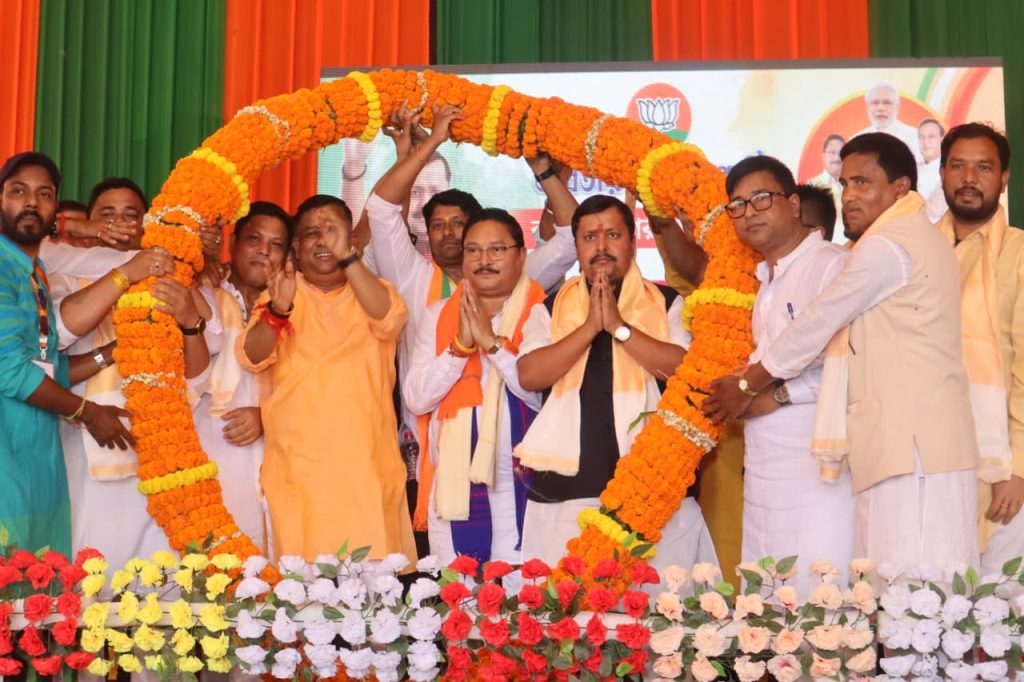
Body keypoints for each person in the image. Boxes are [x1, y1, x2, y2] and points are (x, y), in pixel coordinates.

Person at [704, 133, 979, 573]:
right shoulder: (902, 237)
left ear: (901, 187)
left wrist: (748, 385)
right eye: (845, 183)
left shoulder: (888, 243)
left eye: (862, 183)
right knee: (896, 590)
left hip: (914, 446)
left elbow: (818, 324)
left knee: (913, 589)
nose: (849, 195)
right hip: (895, 444)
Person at [365, 103, 578, 532]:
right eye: (438, 225)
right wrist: (429, 145)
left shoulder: (519, 280)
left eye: (459, 224)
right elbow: (382, 211)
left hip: (520, 451)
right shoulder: (412, 279)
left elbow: (572, 237)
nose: (449, 233)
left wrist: (542, 171)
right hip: (434, 451)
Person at [515, 195, 717, 573]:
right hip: (566, 487)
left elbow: (683, 368)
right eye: (589, 237)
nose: (601, 247)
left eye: (612, 235)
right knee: (565, 604)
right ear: (577, 248)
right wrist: (591, 327)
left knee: (661, 604)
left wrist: (620, 328)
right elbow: (530, 374)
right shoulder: (550, 308)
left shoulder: (668, 302)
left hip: (654, 484)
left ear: (633, 242)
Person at [238, 194, 416, 562]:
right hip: (298, 472)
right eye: (311, 234)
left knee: (374, 586)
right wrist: (278, 311)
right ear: (297, 247)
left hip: (367, 468)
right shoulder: (280, 294)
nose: (323, 241)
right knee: (301, 584)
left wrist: (348, 259)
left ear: (353, 239)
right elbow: (252, 355)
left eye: (333, 231)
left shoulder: (377, 292)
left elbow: (388, 319)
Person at [53, 177, 214, 574]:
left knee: (155, 577)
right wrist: (115, 350)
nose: (120, 224)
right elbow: (56, 345)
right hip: (84, 443)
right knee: (89, 570)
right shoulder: (64, 278)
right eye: (107, 214)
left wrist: (188, 317)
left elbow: (198, 372)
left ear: (147, 225)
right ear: (89, 224)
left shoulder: (170, 283)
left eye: (131, 214)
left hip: (158, 448)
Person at [725, 156, 852, 590]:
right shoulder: (767, 279)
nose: (749, 212)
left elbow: (845, 362)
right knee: (767, 595)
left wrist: (776, 396)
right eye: (738, 205)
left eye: (761, 198)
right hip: (765, 466)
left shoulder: (830, 265)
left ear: (794, 205)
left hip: (816, 465)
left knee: (820, 592)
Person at [0, 152, 133, 555]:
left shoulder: (36, 273)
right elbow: (10, 371)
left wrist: (112, 352)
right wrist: (87, 413)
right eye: (18, 191)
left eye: (44, 194)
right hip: (6, 463)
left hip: (39, 461)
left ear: (55, 207)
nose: (31, 202)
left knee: (43, 579)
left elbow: (48, 367)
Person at [404, 208, 546, 570]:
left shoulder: (544, 313)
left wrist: (492, 345)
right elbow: (417, 397)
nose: (484, 260)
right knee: (459, 593)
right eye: (474, 250)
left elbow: (542, 397)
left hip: (526, 485)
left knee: (527, 593)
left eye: (497, 249)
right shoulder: (439, 315)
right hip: (454, 489)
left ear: (521, 255)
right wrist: (459, 348)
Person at [934, 123, 1024, 577]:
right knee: (926, 600)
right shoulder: (913, 251)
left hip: (1000, 471)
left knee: (1000, 604)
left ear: (1004, 178)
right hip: (926, 462)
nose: (969, 178)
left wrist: (1019, 468)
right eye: (958, 166)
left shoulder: (1019, 253)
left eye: (984, 167)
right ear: (941, 174)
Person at [193, 201, 293, 555]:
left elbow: (310, 385)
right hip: (211, 444)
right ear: (233, 243)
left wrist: (266, 417)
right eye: (255, 239)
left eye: (276, 244)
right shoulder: (205, 293)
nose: (264, 250)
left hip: (279, 447)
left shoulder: (296, 305)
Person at [855, 82, 922, 163]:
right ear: (868, 107)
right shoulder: (857, 140)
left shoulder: (915, 137)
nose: (880, 108)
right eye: (875, 103)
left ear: (897, 107)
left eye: (887, 103)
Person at [808, 135, 845, 239]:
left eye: (840, 153)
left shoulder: (852, 185)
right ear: (823, 155)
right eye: (832, 152)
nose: (836, 158)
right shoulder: (812, 185)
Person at [917, 118, 948, 222]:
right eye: (922, 137)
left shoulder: (948, 171)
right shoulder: (912, 168)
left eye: (931, 137)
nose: (926, 142)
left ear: (942, 140)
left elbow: (936, 211)